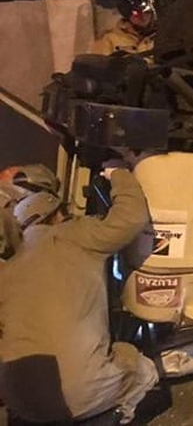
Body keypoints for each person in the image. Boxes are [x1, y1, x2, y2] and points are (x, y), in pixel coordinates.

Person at [0, 164, 159, 425]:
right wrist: (118, 173)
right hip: (78, 397)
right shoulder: (74, 235)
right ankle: (115, 417)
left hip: (18, 400)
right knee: (143, 369)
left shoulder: (9, 265)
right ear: (50, 206)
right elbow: (130, 217)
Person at [91, 0, 158, 56]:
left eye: (146, 12)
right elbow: (98, 66)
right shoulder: (109, 40)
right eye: (136, 13)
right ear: (127, 14)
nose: (142, 17)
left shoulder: (162, 39)